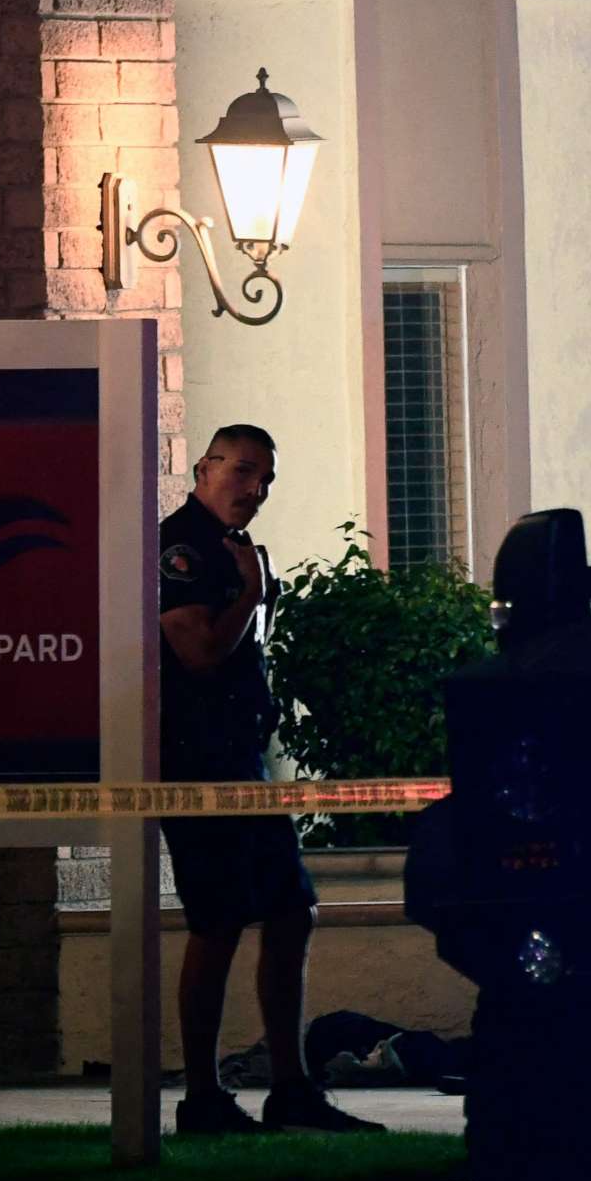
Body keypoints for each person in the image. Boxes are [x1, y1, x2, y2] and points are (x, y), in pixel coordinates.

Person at [159, 423, 380, 1135]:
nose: (255, 490)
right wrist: (251, 594)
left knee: (291, 913)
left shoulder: (234, 550)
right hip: (197, 765)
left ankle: (292, 1088)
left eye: (265, 479)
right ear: (205, 467)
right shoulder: (181, 548)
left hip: (245, 761)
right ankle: (203, 1097)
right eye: (244, 472)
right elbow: (195, 653)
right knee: (217, 923)